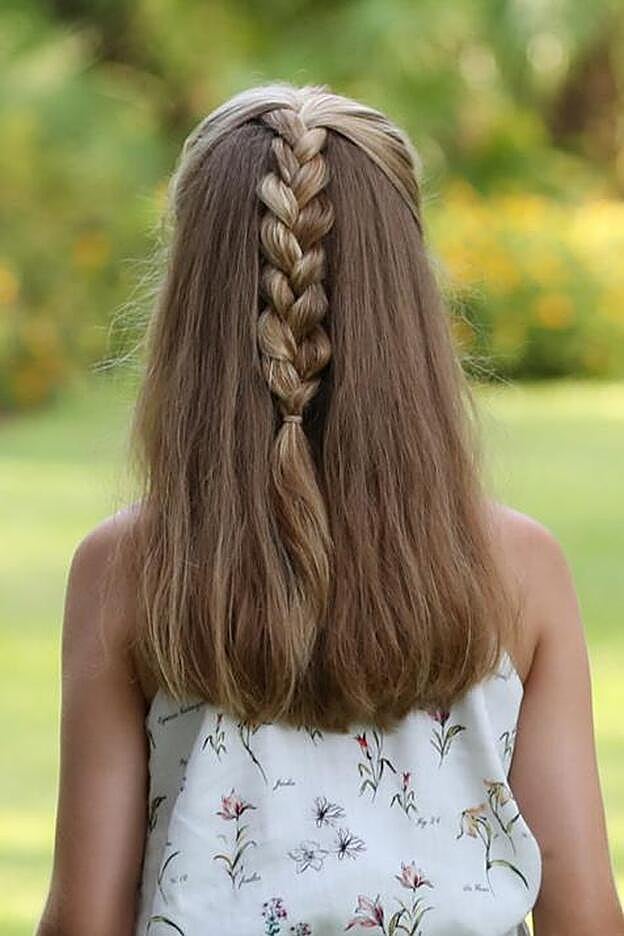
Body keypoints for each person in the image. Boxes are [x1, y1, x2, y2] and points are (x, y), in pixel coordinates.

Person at [36, 82, 623, 936]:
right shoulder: (518, 567)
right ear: (408, 307)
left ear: (190, 310)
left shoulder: (127, 570)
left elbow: (86, 920)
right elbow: (587, 918)